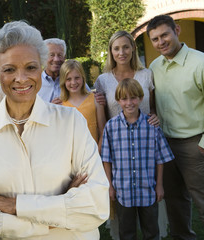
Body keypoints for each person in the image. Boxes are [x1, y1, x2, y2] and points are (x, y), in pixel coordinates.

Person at [0, 21, 109, 240]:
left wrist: (16, 206)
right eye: (9, 69)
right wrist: (59, 211)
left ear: (41, 68)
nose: (21, 78)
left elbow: (96, 205)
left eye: (30, 67)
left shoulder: (71, 122)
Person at [94, 30, 166, 239]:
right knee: (125, 218)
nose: (121, 52)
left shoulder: (146, 74)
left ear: (133, 48)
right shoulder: (103, 80)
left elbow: (152, 107)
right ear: (111, 51)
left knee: (149, 209)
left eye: (126, 47)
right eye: (116, 48)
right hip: (118, 145)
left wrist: (155, 118)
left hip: (144, 142)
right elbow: (102, 115)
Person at [147, 14, 204, 239]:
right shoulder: (154, 66)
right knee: (175, 203)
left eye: (164, 35)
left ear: (177, 30)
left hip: (194, 145)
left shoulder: (200, 62)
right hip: (166, 145)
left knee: (201, 198)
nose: (160, 42)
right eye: (154, 39)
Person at [101, 78, 174, 240]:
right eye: (124, 98)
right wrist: (110, 186)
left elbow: (160, 159)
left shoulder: (152, 126)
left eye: (133, 97)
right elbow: (107, 159)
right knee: (126, 233)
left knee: (151, 232)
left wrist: (159, 185)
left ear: (141, 98)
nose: (129, 103)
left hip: (148, 190)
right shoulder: (111, 127)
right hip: (123, 192)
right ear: (118, 100)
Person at [59, 59, 106, 145]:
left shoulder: (95, 100)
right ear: (63, 81)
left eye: (77, 78)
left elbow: (103, 132)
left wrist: (98, 154)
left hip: (92, 155)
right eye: (68, 79)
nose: (73, 82)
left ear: (83, 78)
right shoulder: (60, 105)